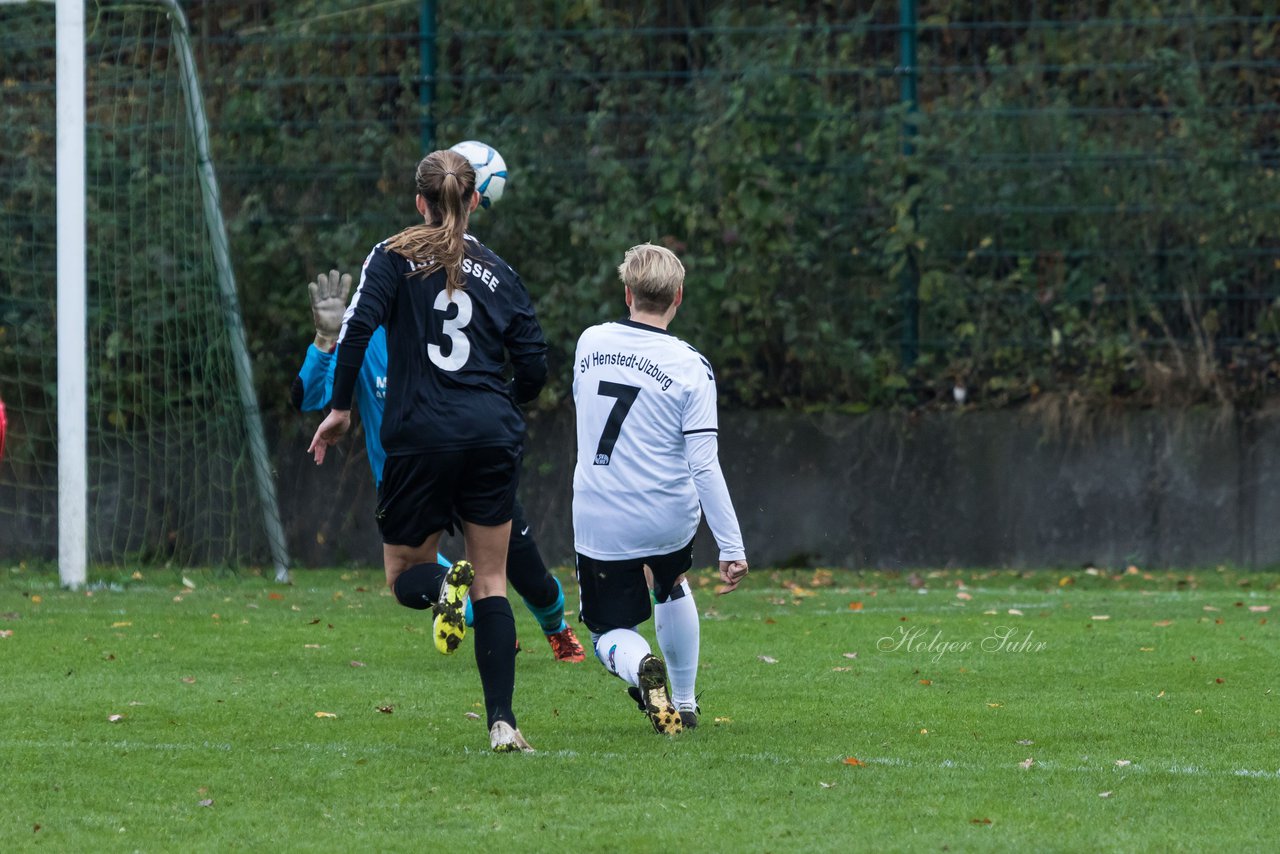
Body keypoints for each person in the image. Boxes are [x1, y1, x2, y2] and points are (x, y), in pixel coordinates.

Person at [308, 149, 545, 753]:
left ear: (420, 201)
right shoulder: (501, 271)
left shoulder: (389, 257)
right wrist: (501, 403)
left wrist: (339, 409)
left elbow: (357, 329)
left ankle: (442, 590)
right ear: (473, 201)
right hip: (490, 435)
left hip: (420, 438)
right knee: (494, 578)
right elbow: (536, 367)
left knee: (405, 572)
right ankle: (503, 723)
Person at [293, 269, 585, 663]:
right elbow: (309, 397)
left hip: (467, 464)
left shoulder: (444, 333)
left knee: (528, 570)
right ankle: (490, 623)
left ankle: (556, 628)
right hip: (408, 480)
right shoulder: (362, 339)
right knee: (423, 573)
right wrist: (327, 339)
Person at [571, 243, 749, 735]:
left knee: (609, 630)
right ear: (679, 297)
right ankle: (685, 703)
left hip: (600, 515)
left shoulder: (589, 342)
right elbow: (704, 464)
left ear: (627, 293)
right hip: (667, 516)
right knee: (670, 585)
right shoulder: (691, 365)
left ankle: (640, 665)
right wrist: (731, 546)